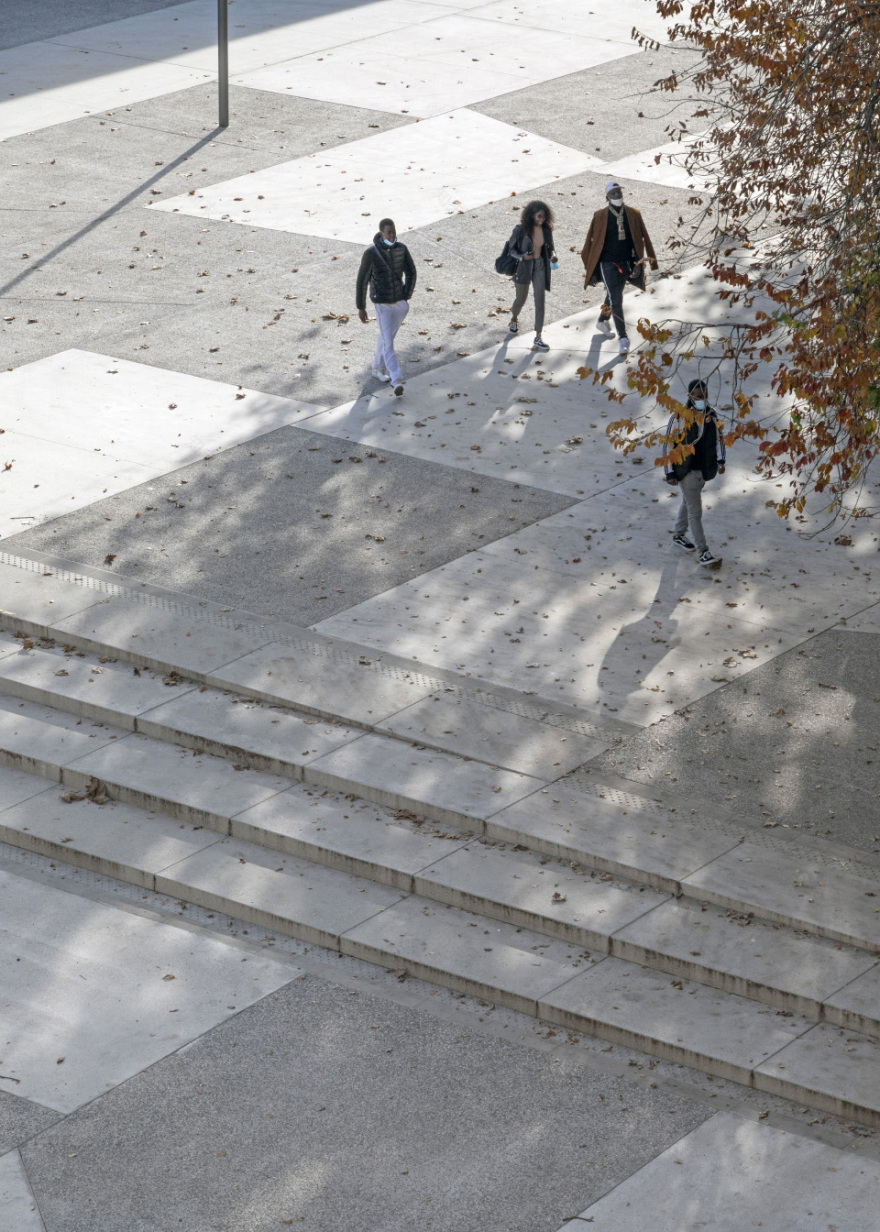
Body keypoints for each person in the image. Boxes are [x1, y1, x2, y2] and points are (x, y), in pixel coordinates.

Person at [580, 181, 658, 354]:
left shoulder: (633, 214)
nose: (617, 194)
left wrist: (639, 263)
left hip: (627, 262)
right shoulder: (600, 215)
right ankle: (623, 338)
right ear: (607, 197)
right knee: (616, 299)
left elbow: (640, 239)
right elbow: (591, 242)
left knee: (613, 294)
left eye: (619, 191)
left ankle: (602, 320)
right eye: (613, 193)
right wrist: (590, 268)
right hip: (607, 264)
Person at [664, 379, 726, 566]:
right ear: (690, 396)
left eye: (705, 396)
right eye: (698, 397)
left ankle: (678, 534)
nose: (702, 399)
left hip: (704, 470)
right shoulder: (679, 416)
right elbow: (668, 444)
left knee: (688, 501)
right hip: (686, 470)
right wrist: (669, 473)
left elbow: (719, 440)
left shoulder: (711, 416)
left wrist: (721, 461)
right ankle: (703, 551)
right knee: (695, 511)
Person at [356, 218, 417, 396]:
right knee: (388, 342)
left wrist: (406, 295)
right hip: (382, 304)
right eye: (388, 232)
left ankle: (376, 368)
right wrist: (361, 307)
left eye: (393, 231)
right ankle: (396, 380)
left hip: (399, 304)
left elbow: (411, 272)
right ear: (381, 233)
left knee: (385, 337)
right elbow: (362, 281)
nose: (392, 235)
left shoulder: (402, 249)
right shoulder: (371, 253)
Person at [507, 200, 557, 353]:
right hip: (524, 268)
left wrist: (553, 256)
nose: (542, 219)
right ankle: (514, 318)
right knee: (520, 300)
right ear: (531, 215)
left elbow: (551, 248)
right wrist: (523, 257)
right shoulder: (520, 230)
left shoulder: (546, 230)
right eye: (539, 216)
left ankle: (538, 337)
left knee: (540, 302)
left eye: (544, 216)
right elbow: (511, 251)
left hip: (540, 267)